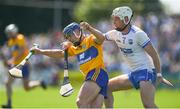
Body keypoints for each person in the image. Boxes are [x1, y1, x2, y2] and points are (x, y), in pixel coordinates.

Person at [79, 6, 173, 108]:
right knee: (106, 87)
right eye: (113, 18)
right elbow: (100, 37)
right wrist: (88, 29)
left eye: (117, 18)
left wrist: (158, 74)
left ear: (126, 19)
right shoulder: (115, 33)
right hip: (133, 73)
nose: (114, 21)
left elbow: (154, 55)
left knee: (148, 105)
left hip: (147, 71)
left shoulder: (138, 34)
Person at [31, 22, 108, 108]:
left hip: (97, 73)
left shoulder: (90, 39)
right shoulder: (75, 48)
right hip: (97, 76)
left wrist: (89, 28)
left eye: (70, 36)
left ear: (77, 32)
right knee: (93, 107)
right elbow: (60, 54)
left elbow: (101, 38)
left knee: (80, 102)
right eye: (67, 37)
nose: (69, 39)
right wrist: (40, 51)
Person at [2, 24, 47, 108]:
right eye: (8, 33)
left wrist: (11, 60)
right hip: (16, 66)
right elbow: (13, 55)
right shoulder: (10, 42)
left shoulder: (20, 38)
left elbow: (21, 51)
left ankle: (39, 83)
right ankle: (9, 103)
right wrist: (7, 61)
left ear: (14, 31)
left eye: (10, 32)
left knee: (26, 87)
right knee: (7, 83)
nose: (9, 34)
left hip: (24, 65)